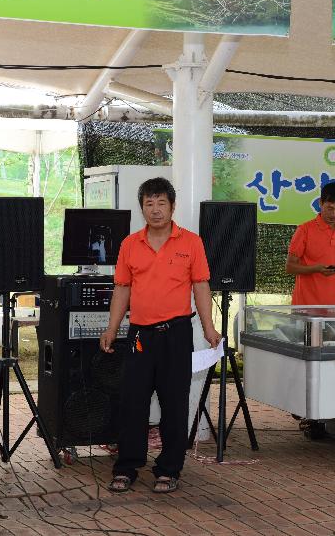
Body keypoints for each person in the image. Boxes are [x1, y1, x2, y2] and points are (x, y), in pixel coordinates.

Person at [100, 177, 221, 494]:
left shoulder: (191, 242)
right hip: (140, 335)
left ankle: (169, 469)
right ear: (142, 208)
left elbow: (201, 286)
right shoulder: (130, 244)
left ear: (172, 206)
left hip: (177, 333)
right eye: (149, 204)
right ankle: (126, 467)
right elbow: (122, 288)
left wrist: (209, 327)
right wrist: (112, 329)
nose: (155, 210)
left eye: (161, 203)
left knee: (174, 404)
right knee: (132, 403)